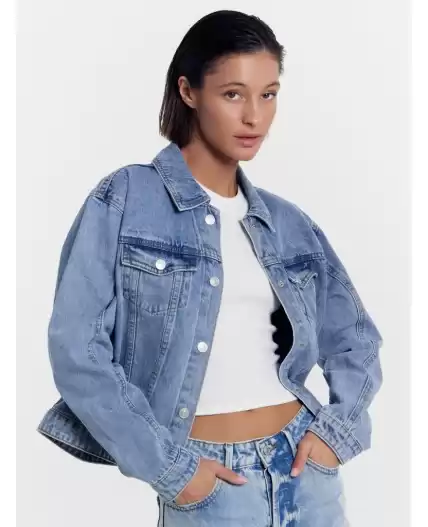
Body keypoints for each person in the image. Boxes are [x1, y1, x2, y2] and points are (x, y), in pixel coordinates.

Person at [37, 10, 384, 527]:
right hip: (210, 485)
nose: (255, 117)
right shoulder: (126, 199)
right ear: (189, 91)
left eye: (269, 94)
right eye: (233, 94)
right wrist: (173, 471)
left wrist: (336, 433)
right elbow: (77, 350)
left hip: (305, 473)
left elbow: (356, 339)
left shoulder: (287, 223)